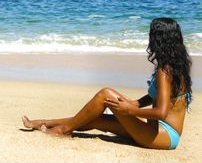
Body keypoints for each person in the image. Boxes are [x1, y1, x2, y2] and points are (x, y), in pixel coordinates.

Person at [22, 18, 192, 150]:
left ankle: (63, 130)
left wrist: (129, 110)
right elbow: (160, 95)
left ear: (159, 39)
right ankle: (43, 122)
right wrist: (136, 103)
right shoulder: (175, 64)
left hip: (163, 135)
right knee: (96, 119)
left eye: (152, 34)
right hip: (157, 129)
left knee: (105, 94)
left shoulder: (166, 70)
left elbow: (161, 112)